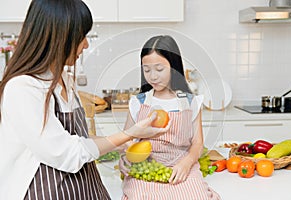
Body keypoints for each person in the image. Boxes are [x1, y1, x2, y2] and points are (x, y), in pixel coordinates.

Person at [0, 1, 170, 199]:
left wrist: (124, 144)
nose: (86, 44)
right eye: (81, 37)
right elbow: (67, 153)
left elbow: (81, 141)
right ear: (60, 37)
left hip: (85, 188)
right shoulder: (22, 88)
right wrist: (128, 133)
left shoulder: (64, 79)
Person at [119, 35, 220, 199]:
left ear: (174, 67)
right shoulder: (138, 102)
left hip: (182, 164)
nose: (152, 76)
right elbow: (126, 138)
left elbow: (197, 143)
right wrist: (125, 156)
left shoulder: (191, 102)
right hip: (146, 166)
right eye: (147, 70)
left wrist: (186, 164)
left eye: (159, 69)